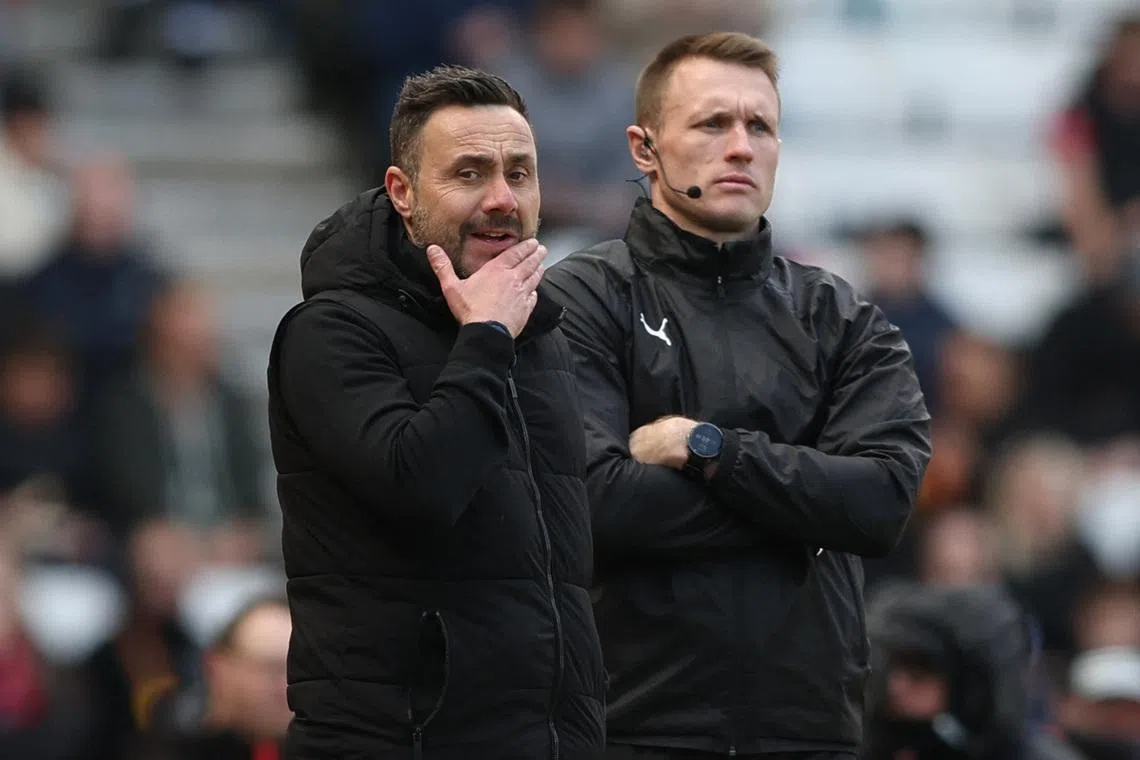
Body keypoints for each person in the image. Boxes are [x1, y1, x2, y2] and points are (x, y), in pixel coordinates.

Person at [543, 32, 933, 758]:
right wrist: (806, 510)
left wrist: (708, 450)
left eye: (760, 126)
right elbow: (595, 504)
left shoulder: (841, 318)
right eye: (712, 123)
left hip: (809, 730)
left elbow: (880, 506)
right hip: (631, 725)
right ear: (644, 147)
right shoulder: (584, 299)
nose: (740, 146)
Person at [266, 65, 605, 759]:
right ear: (403, 192)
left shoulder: (539, 340)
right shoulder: (331, 331)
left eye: (520, 172)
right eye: (470, 173)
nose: (502, 199)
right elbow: (422, 486)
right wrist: (484, 339)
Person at [861, 582, 1086, 760]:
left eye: (920, 669)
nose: (896, 685)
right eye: (890, 665)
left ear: (968, 683)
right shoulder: (864, 750)